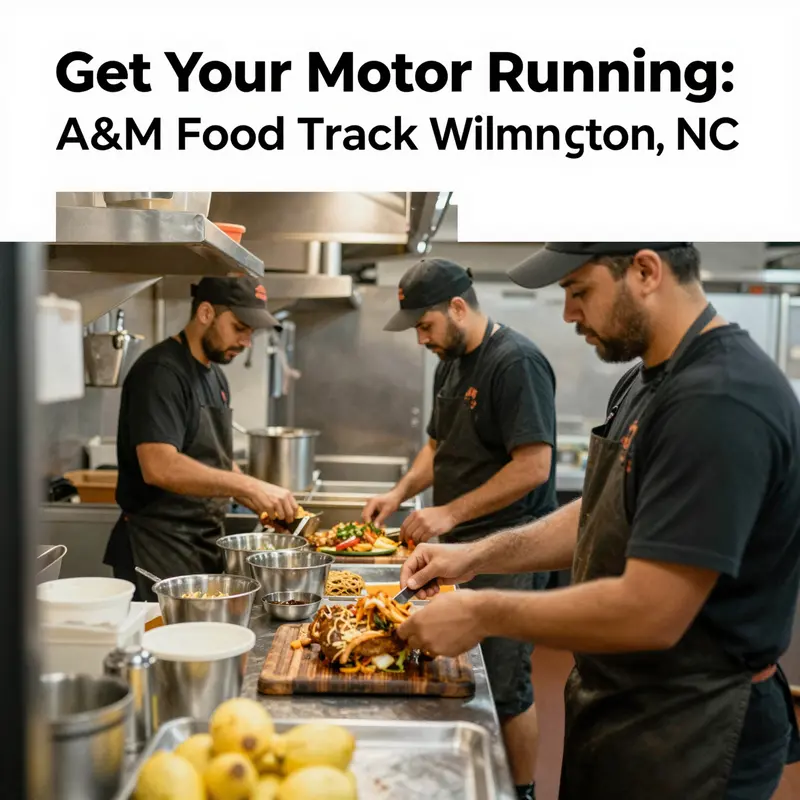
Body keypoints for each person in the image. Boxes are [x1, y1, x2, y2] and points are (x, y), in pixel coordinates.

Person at [396, 243, 800, 800]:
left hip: (693, 731)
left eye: (579, 290)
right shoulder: (644, 381)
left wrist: (482, 611)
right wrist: (473, 556)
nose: (568, 313)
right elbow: (601, 513)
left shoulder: (720, 400)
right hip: (623, 710)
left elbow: (651, 612)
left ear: (645, 270)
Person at [363, 258, 558, 800]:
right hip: (459, 551)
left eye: (424, 325)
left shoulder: (515, 362)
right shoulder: (449, 363)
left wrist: (449, 514)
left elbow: (533, 466)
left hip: (510, 550)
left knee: (507, 686)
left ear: (457, 307)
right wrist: (399, 494)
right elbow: (437, 446)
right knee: (464, 675)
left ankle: (521, 790)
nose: (421, 339)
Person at [103, 275, 298, 601]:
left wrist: (260, 503)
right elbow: (159, 466)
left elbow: (212, 457)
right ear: (206, 313)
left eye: (251, 332)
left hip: (200, 544)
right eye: (239, 327)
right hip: (157, 547)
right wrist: (248, 486)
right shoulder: (160, 372)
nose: (246, 342)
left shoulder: (215, 375)